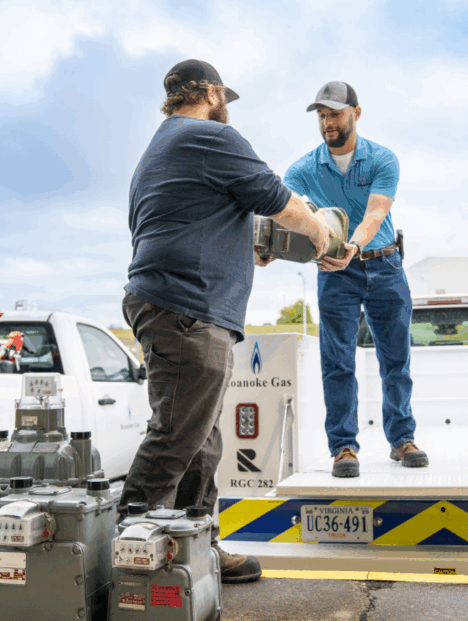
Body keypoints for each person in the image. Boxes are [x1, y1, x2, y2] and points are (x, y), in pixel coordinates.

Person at [121, 59, 333, 583]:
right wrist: (318, 233)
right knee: (175, 437)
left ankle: (196, 548)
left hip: (174, 304)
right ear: (211, 92)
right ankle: (128, 560)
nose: (227, 110)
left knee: (200, 439)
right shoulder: (209, 136)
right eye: (225, 99)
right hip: (187, 308)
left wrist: (249, 245)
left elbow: (194, 216)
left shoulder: (163, 144)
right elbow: (274, 195)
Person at [283, 81, 427, 478]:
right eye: (322, 115)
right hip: (335, 275)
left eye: (335, 113)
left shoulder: (382, 159)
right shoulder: (302, 170)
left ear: (356, 113)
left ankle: (402, 439)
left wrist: (355, 247)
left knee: (396, 358)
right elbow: (281, 212)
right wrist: (263, 247)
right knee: (338, 361)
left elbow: (375, 214)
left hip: (385, 265)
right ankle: (344, 447)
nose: (328, 122)